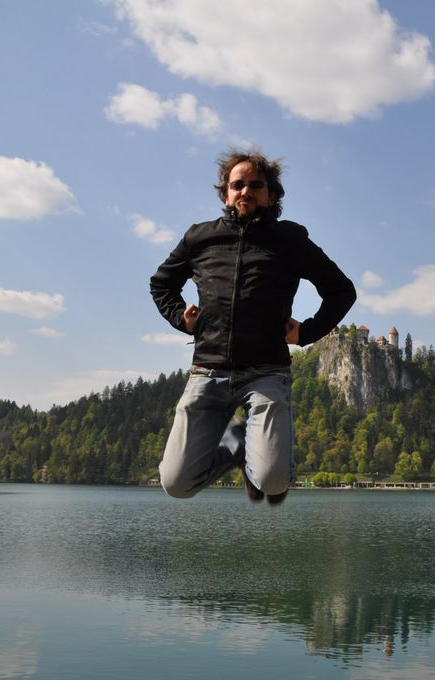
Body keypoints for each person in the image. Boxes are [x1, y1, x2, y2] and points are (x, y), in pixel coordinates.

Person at [150, 150, 356, 504]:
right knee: (176, 484)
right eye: (237, 185)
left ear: (271, 195)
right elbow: (161, 284)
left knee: (273, 483)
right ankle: (238, 444)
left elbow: (341, 291)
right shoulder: (200, 238)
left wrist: (305, 333)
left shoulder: (289, 240)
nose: (245, 192)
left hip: (266, 373)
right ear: (225, 194)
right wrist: (180, 317)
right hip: (208, 370)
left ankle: (257, 457)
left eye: (255, 186)